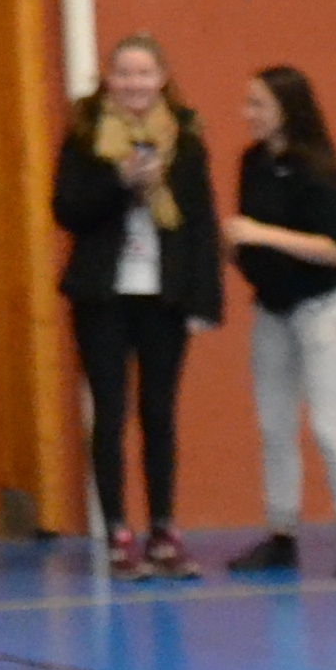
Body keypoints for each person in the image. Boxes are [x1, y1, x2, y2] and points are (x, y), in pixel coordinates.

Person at [53, 35, 221, 581]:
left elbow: (200, 224)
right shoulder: (84, 137)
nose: (133, 85)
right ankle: (118, 533)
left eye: (144, 74)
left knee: (159, 411)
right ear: (109, 80)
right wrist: (119, 183)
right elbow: (67, 210)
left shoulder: (186, 140)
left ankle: (164, 530)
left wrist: (203, 300)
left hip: (164, 295)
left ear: (162, 79)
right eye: (123, 74)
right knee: (110, 409)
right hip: (103, 293)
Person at [224, 64, 336, 582]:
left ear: (286, 110)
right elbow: (249, 241)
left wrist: (262, 234)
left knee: (329, 426)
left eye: (258, 104)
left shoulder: (320, 170)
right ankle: (281, 533)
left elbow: (332, 248)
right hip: (272, 311)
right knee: (273, 426)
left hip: (324, 312)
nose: (248, 114)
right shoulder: (252, 163)